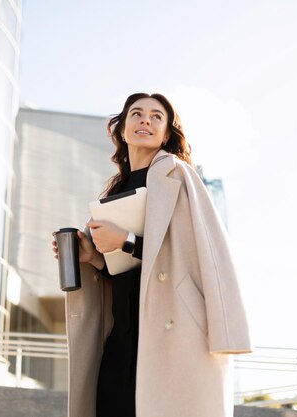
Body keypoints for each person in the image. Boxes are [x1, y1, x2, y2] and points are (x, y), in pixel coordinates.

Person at [52, 92, 251, 417]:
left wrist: (126, 239)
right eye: (137, 113)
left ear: (167, 133)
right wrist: (94, 257)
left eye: (156, 116)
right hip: (121, 335)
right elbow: (129, 268)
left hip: (168, 333)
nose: (145, 119)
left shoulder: (179, 176)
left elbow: (187, 256)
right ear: (122, 128)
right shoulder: (114, 190)